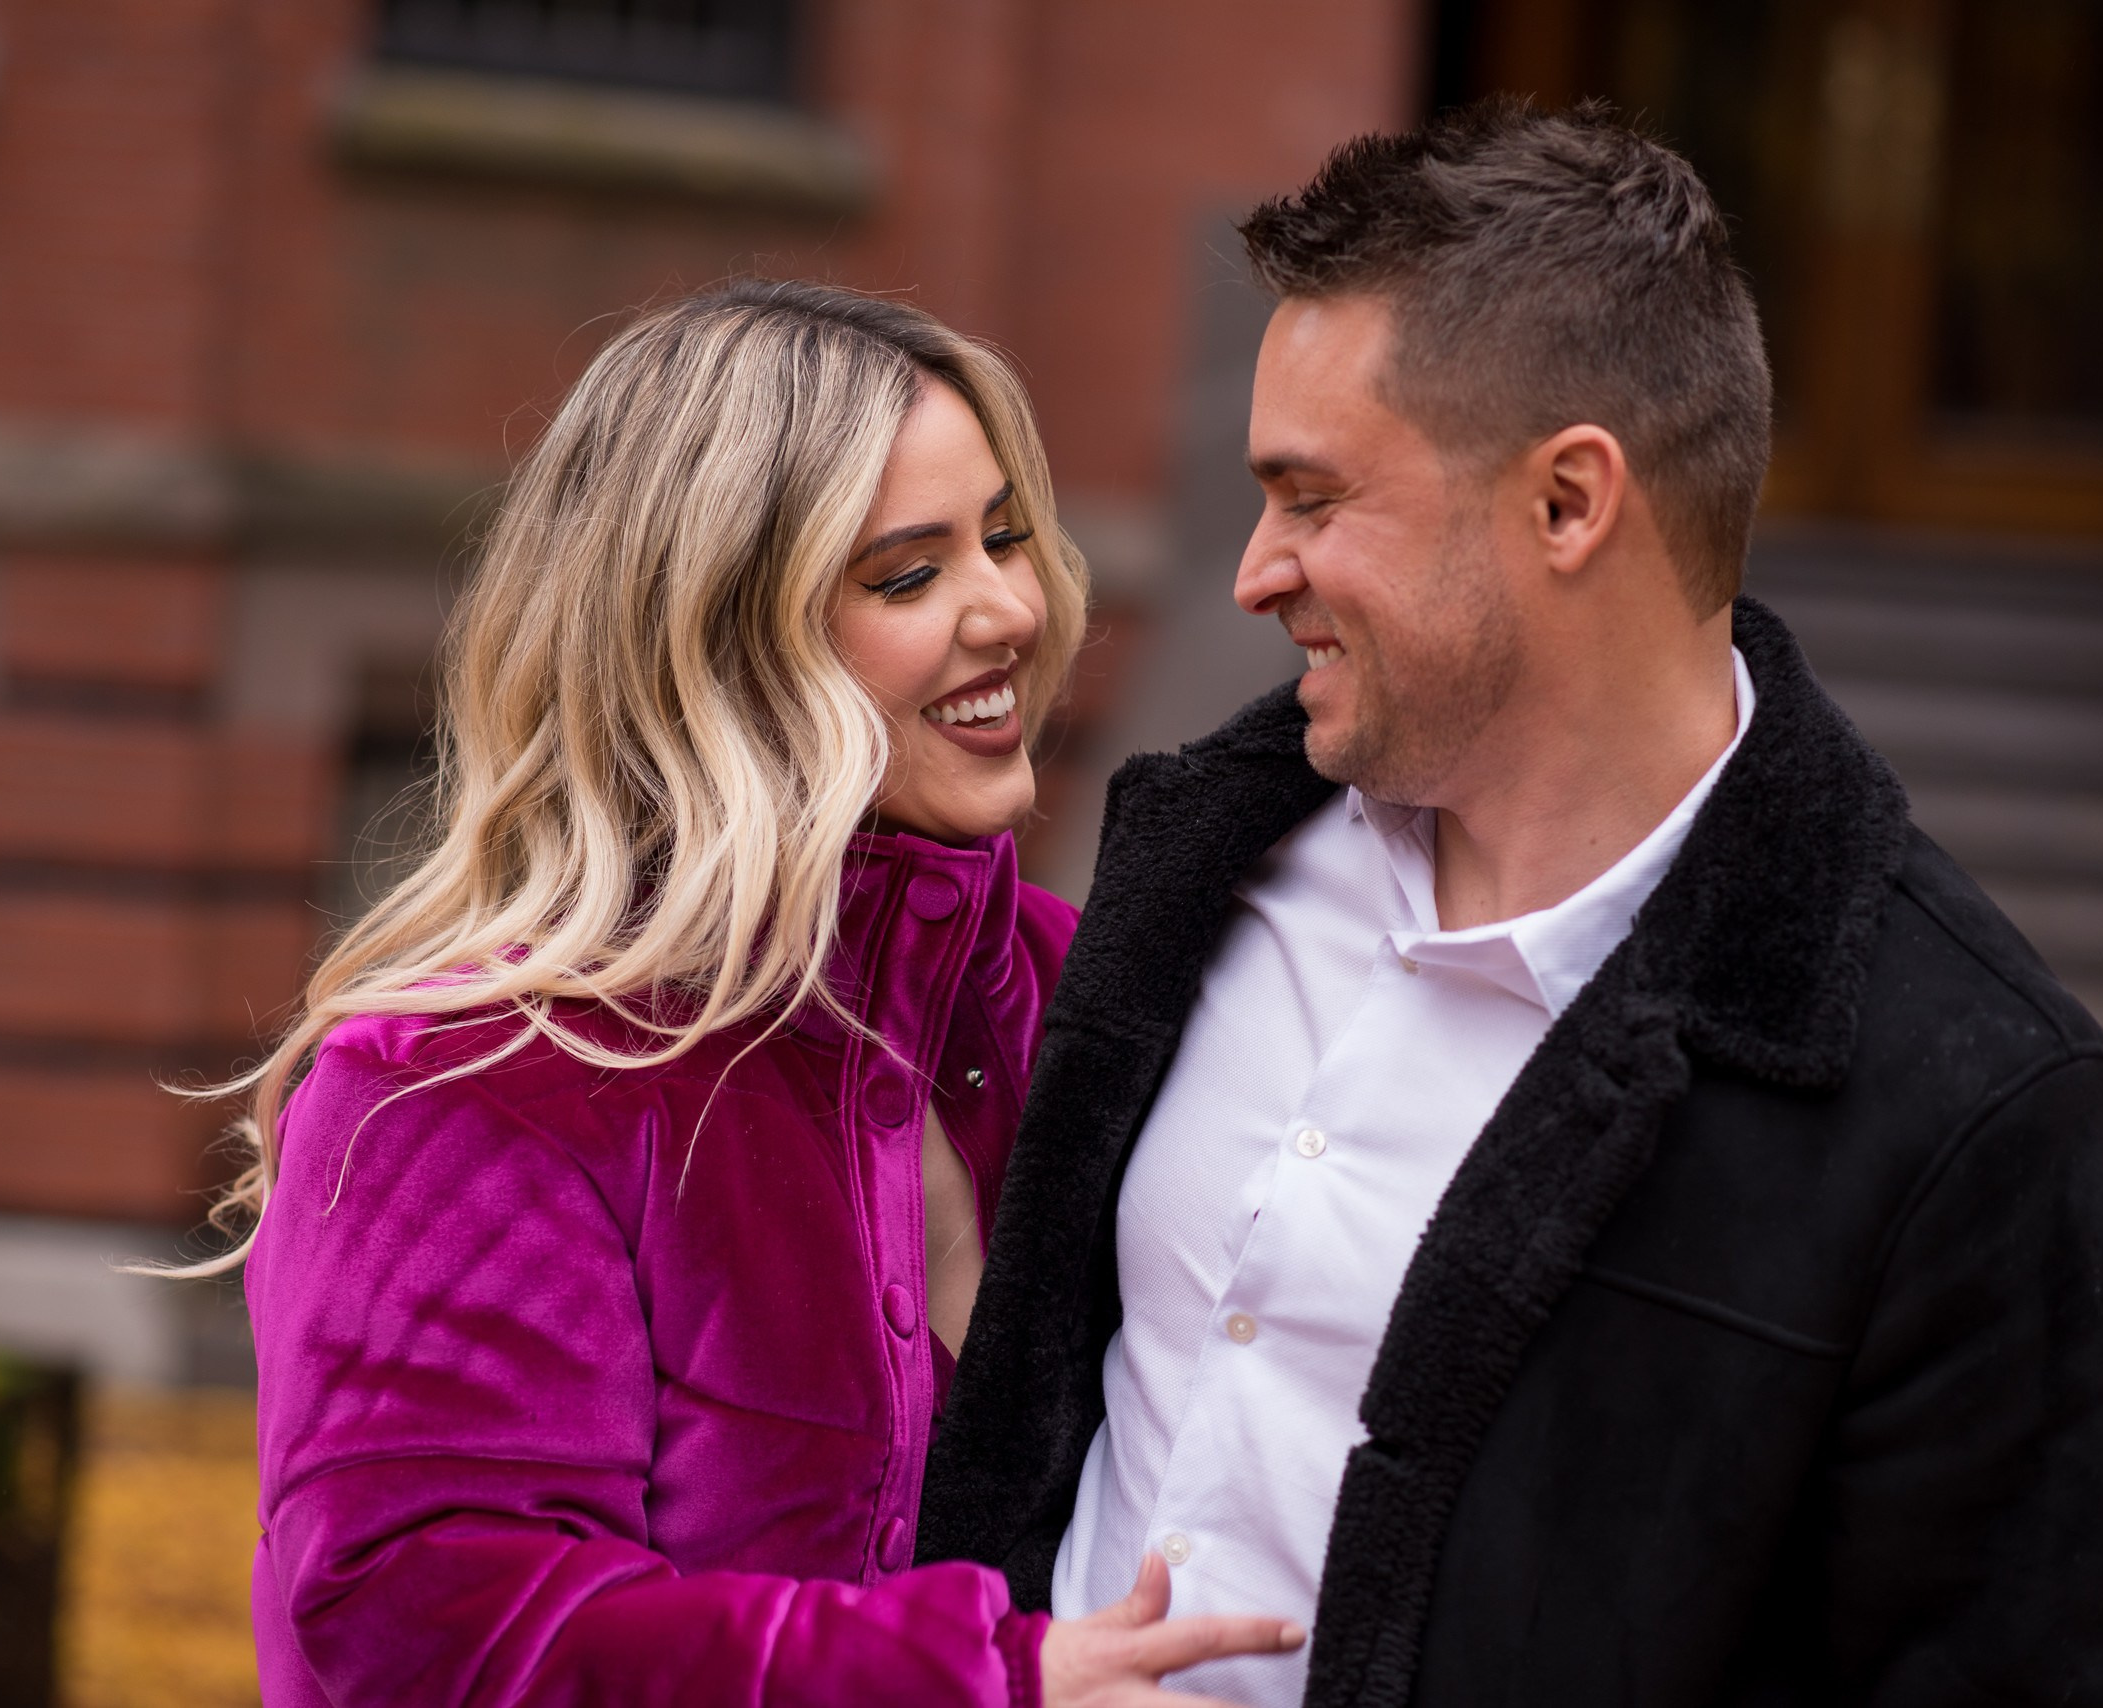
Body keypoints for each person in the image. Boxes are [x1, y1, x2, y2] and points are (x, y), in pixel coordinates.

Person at [921, 101, 2103, 1706]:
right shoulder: (1193, 871)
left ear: (1569, 503)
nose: (1253, 570)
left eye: (1314, 498)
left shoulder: (1979, 1113)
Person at [223, 280, 1302, 1707]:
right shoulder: (467, 1080)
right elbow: (421, 1627)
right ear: (721, 650)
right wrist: (981, 1682)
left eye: (1006, 538)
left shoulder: (1087, 993)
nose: (1010, 612)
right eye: (907, 576)